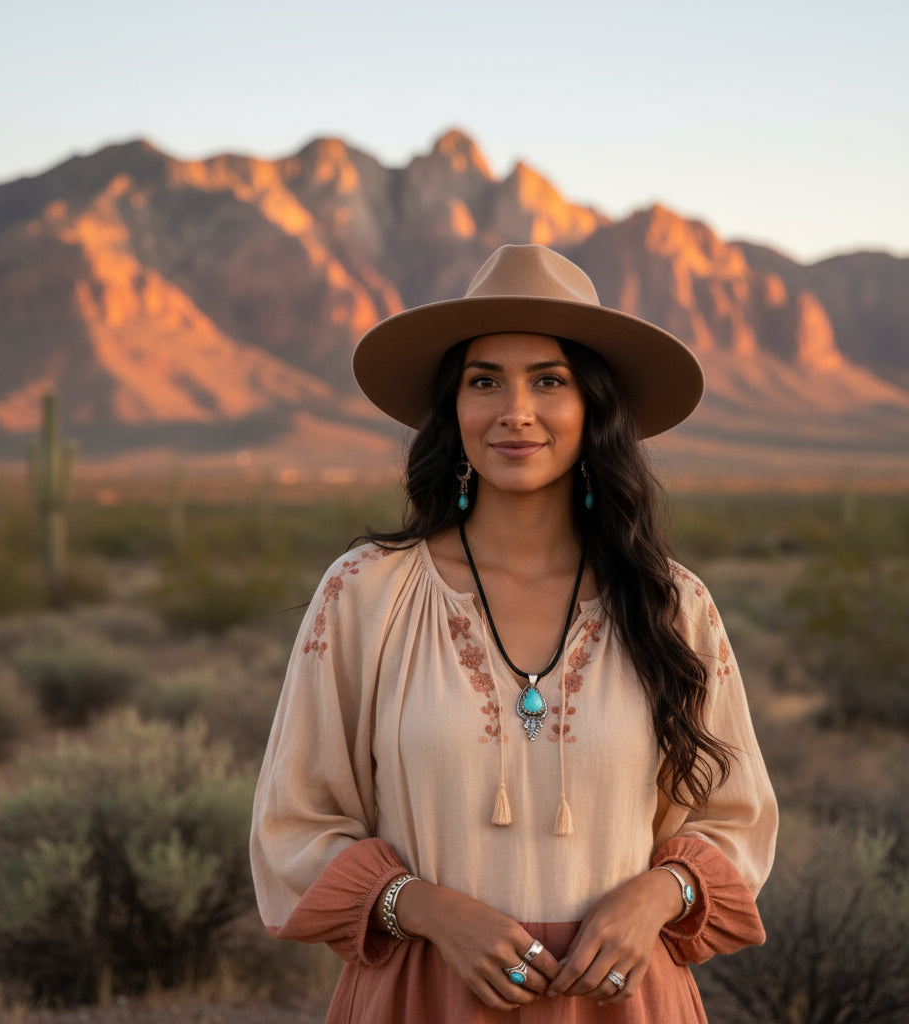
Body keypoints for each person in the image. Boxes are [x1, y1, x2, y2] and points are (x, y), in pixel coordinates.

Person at [250, 244, 778, 1022]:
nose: (515, 410)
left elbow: (734, 820)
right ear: (452, 408)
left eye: (550, 381)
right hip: (424, 997)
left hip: (621, 1004)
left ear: (594, 407)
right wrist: (425, 908)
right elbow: (294, 823)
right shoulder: (366, 593)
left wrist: (654, 897)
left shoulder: (673, 605)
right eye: (484, 380)